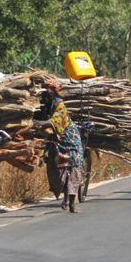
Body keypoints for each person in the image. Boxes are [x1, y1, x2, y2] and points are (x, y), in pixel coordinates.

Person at [34, 78, 84, 213]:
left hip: (70, 140)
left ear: (54, 92)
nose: (46, 93)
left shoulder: (60, 105)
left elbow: (53, 122)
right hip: (58, 139)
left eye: (49, 90)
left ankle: (72, 203)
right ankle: (66, 198)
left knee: (72, 168)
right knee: (58, 167)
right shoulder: (48, 105)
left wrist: (36, 122)